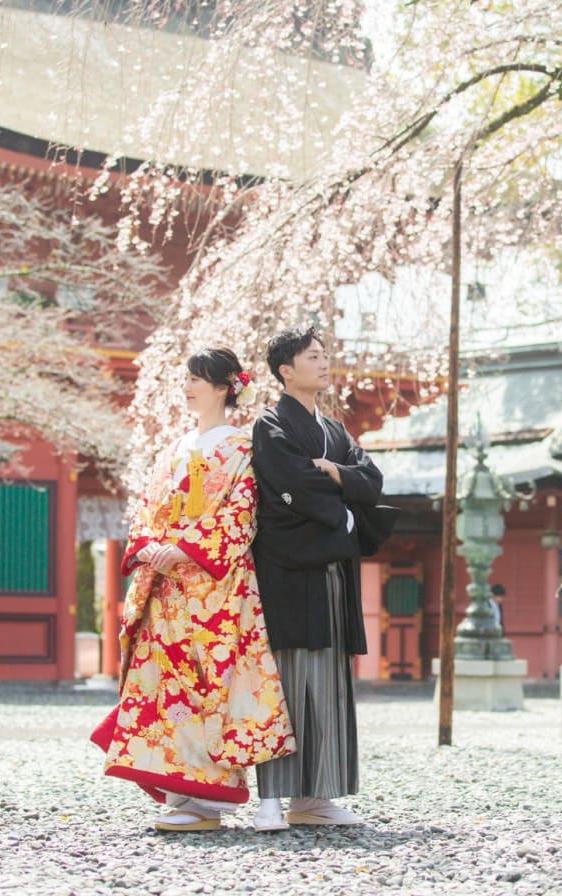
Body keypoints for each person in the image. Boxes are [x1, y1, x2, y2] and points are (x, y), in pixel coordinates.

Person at [90, 347, 295, 832]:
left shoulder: (243, 449)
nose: (188, 386)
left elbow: (240, 516)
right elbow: (146, 510)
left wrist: (182, 551)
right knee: (165, 688)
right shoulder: (176, 448)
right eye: (186, 377)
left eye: (198, 378)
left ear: (226, 386)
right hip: (168, 590)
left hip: (214, 591)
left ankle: (209, 798)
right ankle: (183, 790)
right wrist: (150, 547)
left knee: (211, 687)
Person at [249, 326, 387, 829]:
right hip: (287, 570)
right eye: (314, 356)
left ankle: (314, 797)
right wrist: (342, 507)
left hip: (330, 571)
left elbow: (371, 480)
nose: (325, 363)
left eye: (326, 355)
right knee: (284, 680)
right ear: (285, 370)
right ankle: (272, 795)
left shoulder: (334, 430)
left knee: (328, 679)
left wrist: (334, 474)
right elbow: (291, 488)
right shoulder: (269, 425)